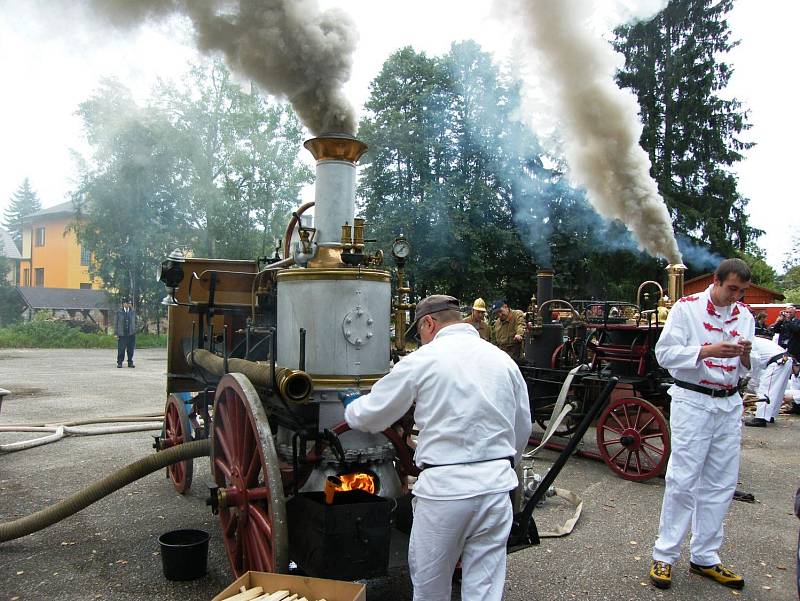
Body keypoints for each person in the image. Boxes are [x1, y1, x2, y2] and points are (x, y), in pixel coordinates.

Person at [340, 294, 531, 601]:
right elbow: (521, 428)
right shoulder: (502, 360)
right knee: (484, 590)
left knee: (430, 589)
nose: (422, 340)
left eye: (420, 333)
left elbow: (373, 415)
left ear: (429, 323)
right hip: (496, 490)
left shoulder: (423, 360)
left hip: (445, 495)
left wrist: (351, 407)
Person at [649, 258, 755, 591]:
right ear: (717, 280)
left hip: (729, 403)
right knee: (683, 479)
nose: (736, 296)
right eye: (731, 288)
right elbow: (664, 354)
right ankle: (664, 555)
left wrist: (746, 356)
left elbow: (747, 370)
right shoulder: (686, 308)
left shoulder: (746, 317)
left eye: (741, 291)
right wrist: (707, 350)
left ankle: (705, 556)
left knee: (721, 482)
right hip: (693, 400)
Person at [743, 336, 792, 427]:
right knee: (777, 392)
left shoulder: (749, 343)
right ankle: (771, 415)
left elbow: (753, 365)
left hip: (777, 361)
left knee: (766, 389)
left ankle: (761, 418)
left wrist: (747, 381)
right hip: (785, 359)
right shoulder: (755, 340)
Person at [115, 299, 137, 368]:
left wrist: (135, 330)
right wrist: (116, 333)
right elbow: (116, 323)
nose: (127, 304)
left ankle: (130, 362)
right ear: (123, 304)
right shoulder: (119, 312)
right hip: (122, 334)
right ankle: (120, 362)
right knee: (121, 349)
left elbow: (136, 321)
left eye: (128, 303)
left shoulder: (133, 312)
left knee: (130, 349)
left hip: (131, 334)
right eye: (125, 303)